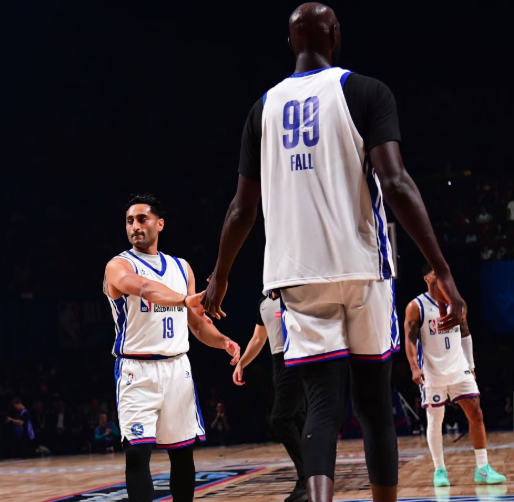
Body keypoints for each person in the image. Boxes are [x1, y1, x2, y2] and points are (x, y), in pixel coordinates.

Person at [201, 4, 464, 502]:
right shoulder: (367, 91)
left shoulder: (262, 109)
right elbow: (396, 183)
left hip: (297, 275)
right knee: (373, 407)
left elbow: (241, 209)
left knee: (321, 408)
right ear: (336, 35)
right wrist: (442, 269)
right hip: (363, 268)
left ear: (290, 43)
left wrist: (220, 276)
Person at [104, 193, 240, 502]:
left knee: (182, 454)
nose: (135, 226)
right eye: (129, 221)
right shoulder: (118, 265)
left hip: (177, 367)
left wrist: (223, 341)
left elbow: (197, 323)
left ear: (160, 224)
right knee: (137, 454)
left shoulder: (182, 267)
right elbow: (144, 287)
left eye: (142, 219)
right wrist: (185, 299)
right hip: (136, 369)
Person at [404, 263, 506, 487]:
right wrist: (414, 367)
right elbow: (410, 339)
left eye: (443, 271)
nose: (441, 275)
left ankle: (482, 468)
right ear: (426, 278)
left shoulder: (457, 303)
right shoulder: (416, 306)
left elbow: (465, 334)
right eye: (435, 272)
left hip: (459, 366)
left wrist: (470, 365)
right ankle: (439, 470)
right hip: (433, 371)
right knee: (435, 420)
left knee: (476, 413)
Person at [234, 293, 307, 502]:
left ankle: (307, 479)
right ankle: (313, 478)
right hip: (278, 363)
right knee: (298, 419)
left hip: (298, 358)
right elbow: (258, 338)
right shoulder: (264, 303)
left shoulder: (296, 293)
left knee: (280, 419)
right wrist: (241, 363)